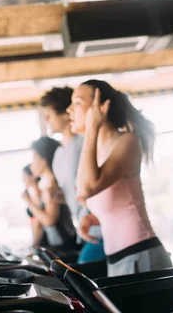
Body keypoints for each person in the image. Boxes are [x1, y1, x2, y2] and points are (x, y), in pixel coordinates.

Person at [67, 79, 172, 276]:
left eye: (78, 102)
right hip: (117, 259)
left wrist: (91, 129)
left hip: (141, 255)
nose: (69, 110)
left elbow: (86, 188)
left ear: (101, 107)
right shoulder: (96, 152)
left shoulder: (126, 141)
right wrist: (96, 218)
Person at [40, 87, 106, 263]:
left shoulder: (84, 143)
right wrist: (57, 196)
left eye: (50, 114)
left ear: (64, 113)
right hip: (84, 228)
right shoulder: (58, 154)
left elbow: (95, 184)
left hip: (102, 228)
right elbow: (72, 192)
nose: (46, 119)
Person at [22, 136, 78, 253]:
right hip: (58, 244)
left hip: (65, 246)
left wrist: (28, 201)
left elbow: (49, 220)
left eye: (34, 158)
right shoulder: (45, 184)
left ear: (43, 159)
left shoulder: (52, 185)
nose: (32, 164)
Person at [22, 164, 48, 247]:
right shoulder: (33, 196)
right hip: (38, 239)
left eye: (24, 177)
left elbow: (39, 222)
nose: (23, 180)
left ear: (32, 177)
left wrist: (34, 244)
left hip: (46, 240)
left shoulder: (43, 194)